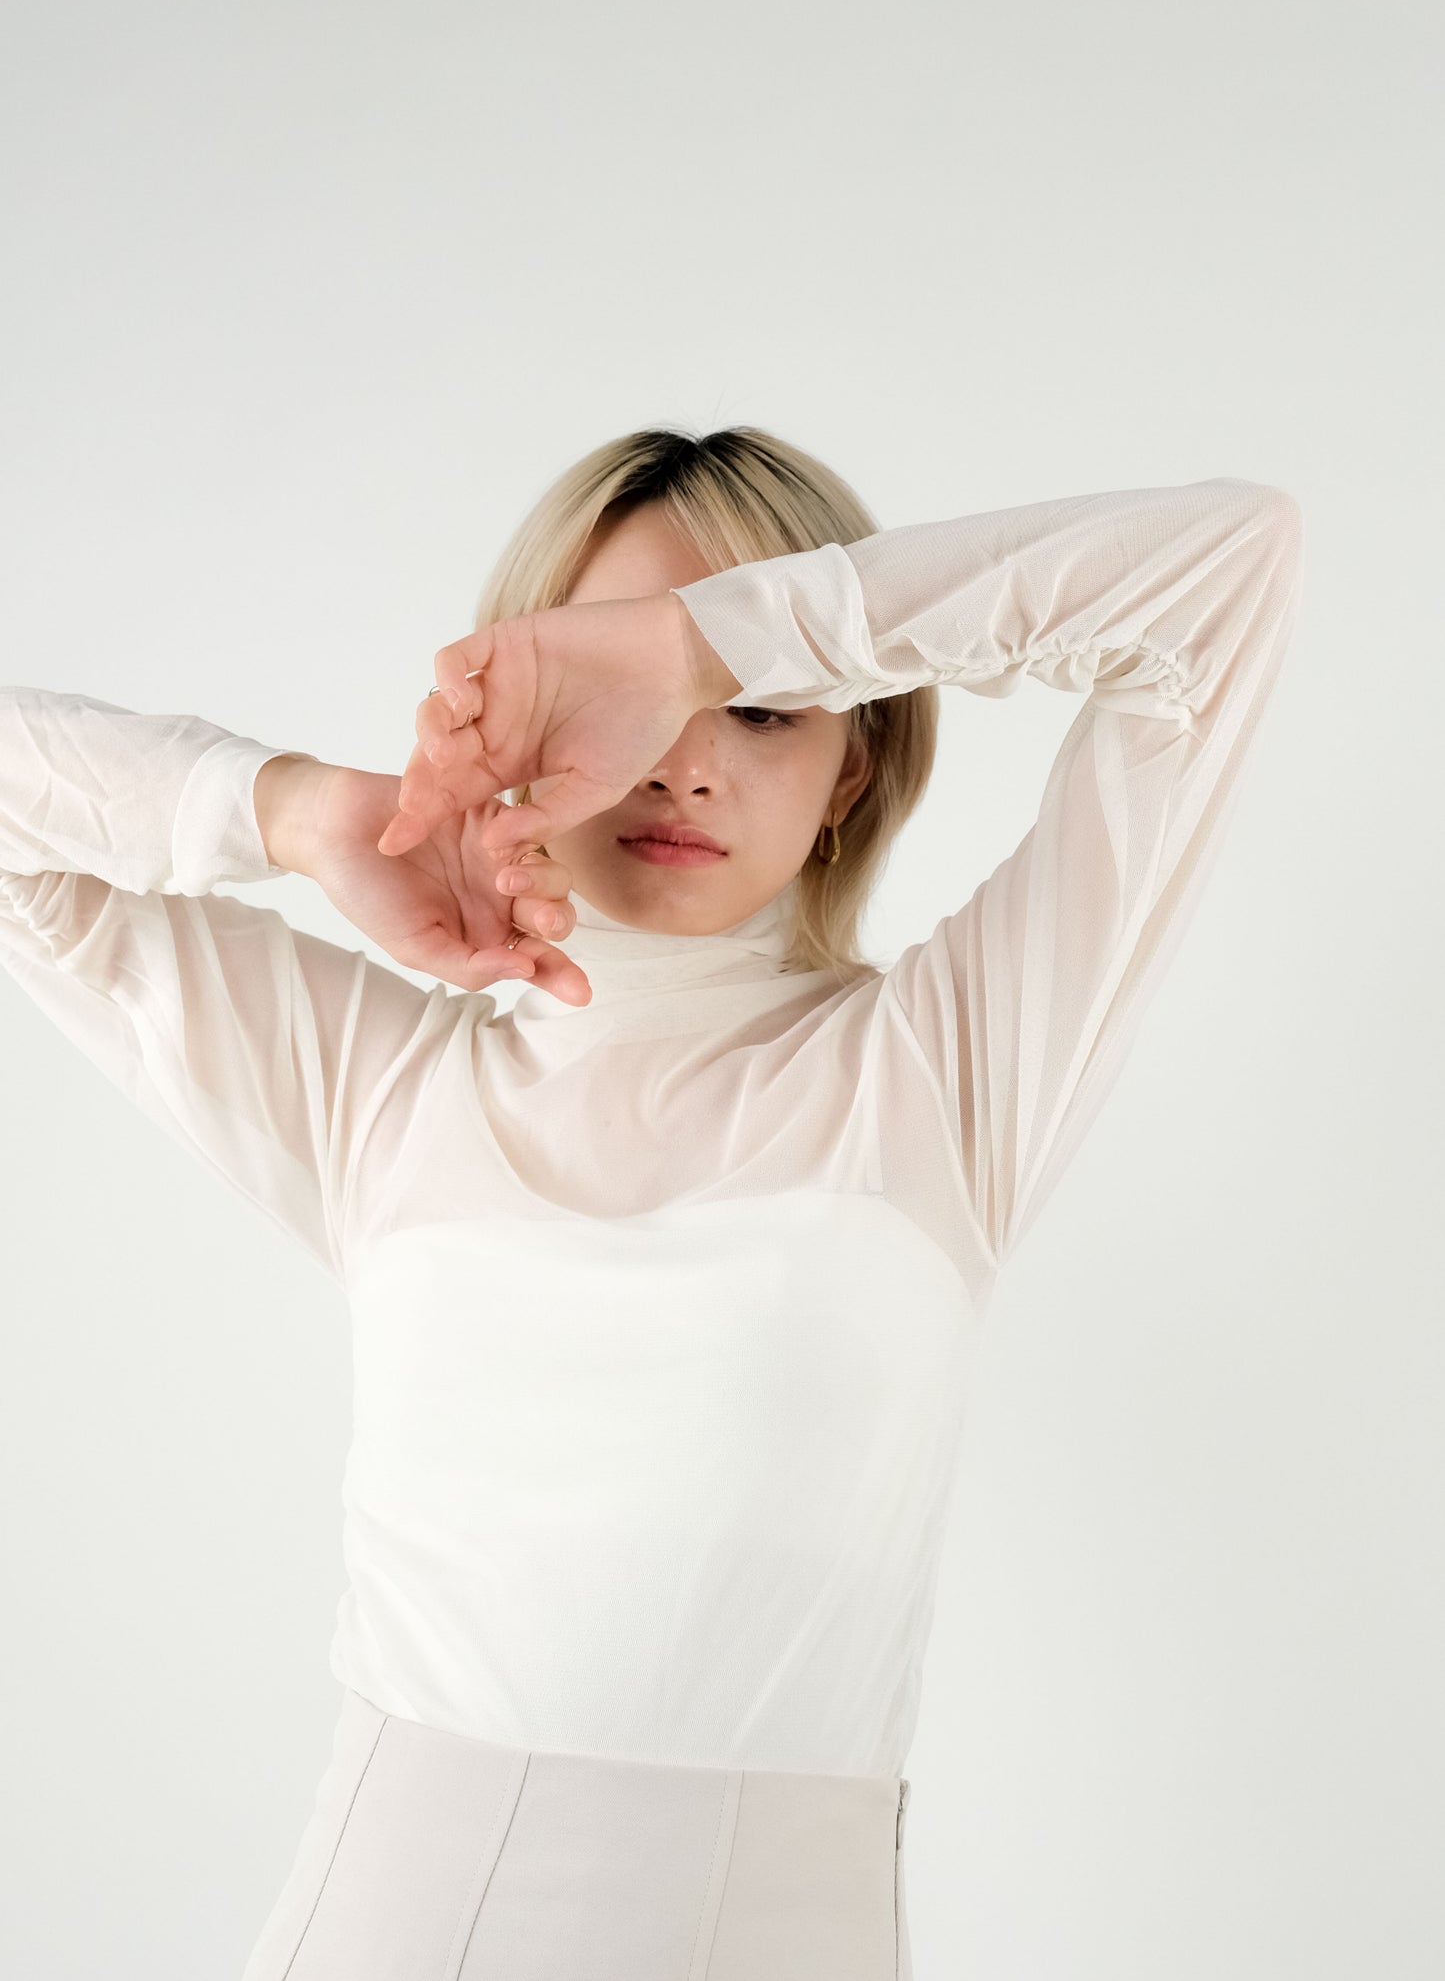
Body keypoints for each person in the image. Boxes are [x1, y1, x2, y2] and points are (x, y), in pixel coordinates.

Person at [0, 427, 1304, 1980]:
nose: (682, 759)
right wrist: (302, 817)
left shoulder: (943, 1072)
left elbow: (1226, 568)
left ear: (852, 771)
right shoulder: (378, 1087)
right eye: (605, 702)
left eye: (759, 712)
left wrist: (681, 643)